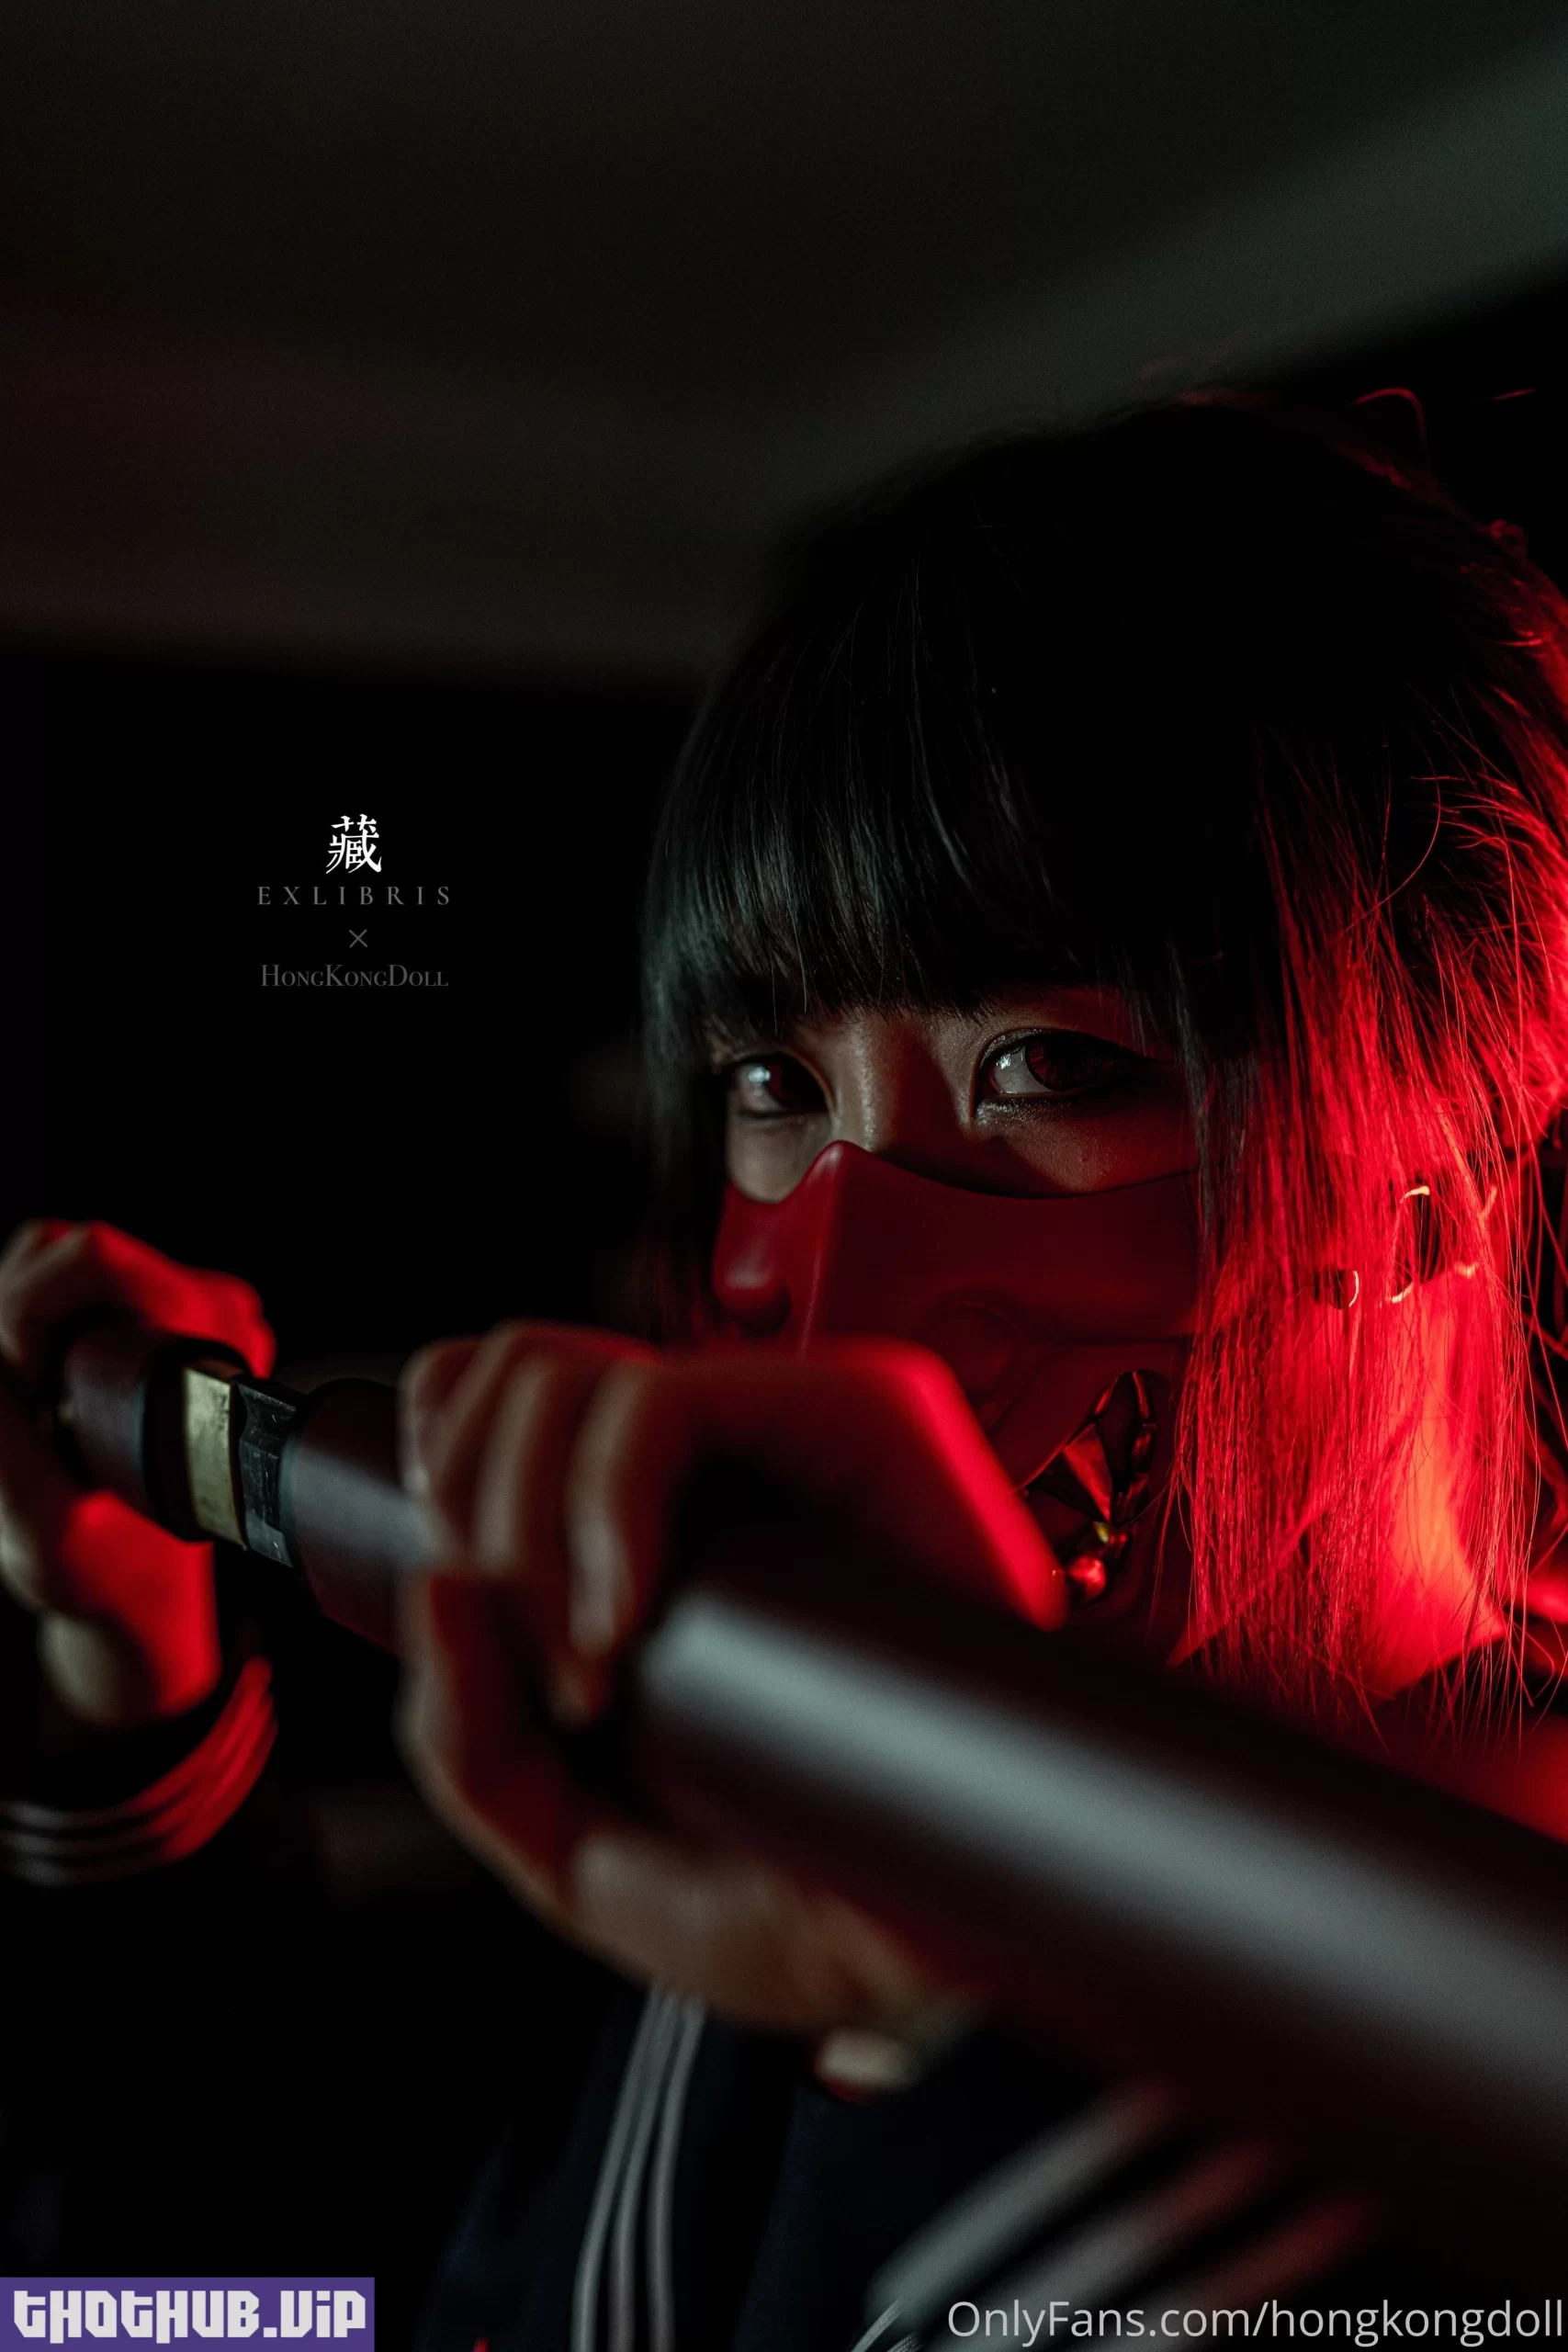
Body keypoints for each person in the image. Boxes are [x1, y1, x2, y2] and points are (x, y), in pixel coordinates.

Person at [6, 392, 1568, 2348]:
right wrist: (140, 1702)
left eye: (1052, 1065)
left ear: (1454, 1146)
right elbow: (215, 2311)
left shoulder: (1495, 2018)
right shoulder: (783, 1781)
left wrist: (958, 2027)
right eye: (770, 1085)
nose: (841, 1294)